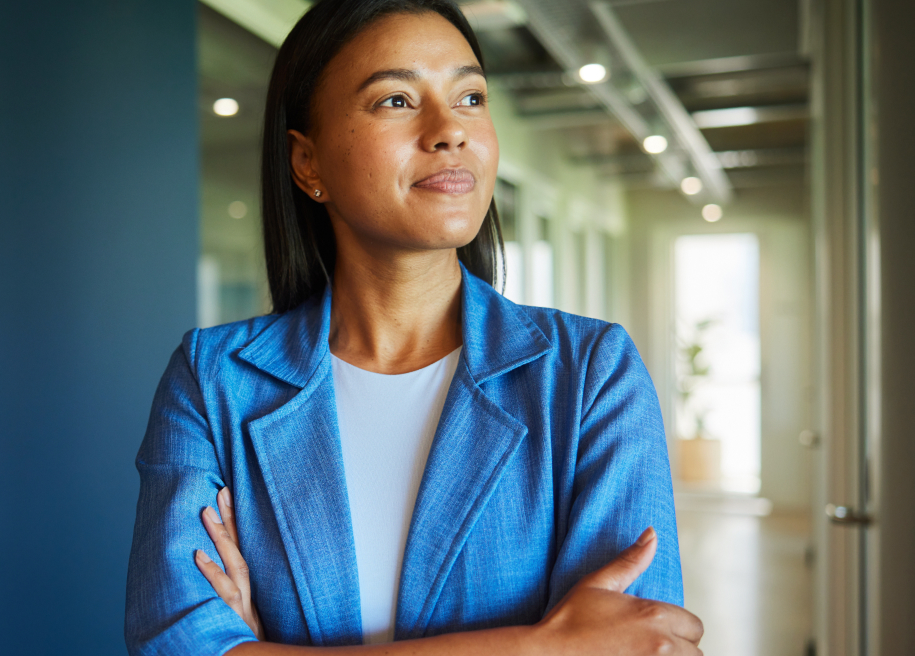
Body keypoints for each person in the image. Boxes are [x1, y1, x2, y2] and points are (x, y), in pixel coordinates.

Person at [123, 1, 703, 654]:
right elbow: (175, 646)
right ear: (308, 163)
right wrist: (539, 645)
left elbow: (635, 644)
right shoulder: (213, 380)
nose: (449, 129)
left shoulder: (591, 373)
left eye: (470, 96)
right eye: (396, 100)